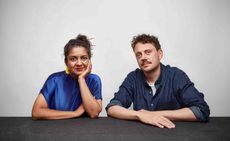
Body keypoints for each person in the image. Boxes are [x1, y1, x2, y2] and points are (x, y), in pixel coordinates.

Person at [106, 34, 210, 128]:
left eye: (148, 52)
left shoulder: (176, 76)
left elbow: (201, 110)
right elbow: (112, 108)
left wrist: (154, 115)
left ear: (159, 54)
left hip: (175, 134)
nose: (143, 58)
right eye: (139, 54)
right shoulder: (133, 78)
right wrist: (140, 115)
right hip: (142, 135)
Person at [32, 34, 102, 120]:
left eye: (84, 58)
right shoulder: (54, 80)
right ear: (66, 62)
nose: (79, 63)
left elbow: (94, 113)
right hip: (56, 129)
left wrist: (81, 79)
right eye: (73, 59)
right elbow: (36, 113)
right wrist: (74, 113)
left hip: (85, 131)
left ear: (89, 60)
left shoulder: (94, 80)